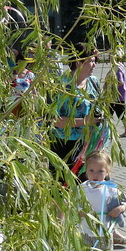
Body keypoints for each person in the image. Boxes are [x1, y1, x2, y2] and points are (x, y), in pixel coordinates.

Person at [51, 43, 106, 181]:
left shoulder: (93, 82)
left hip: (89, 143)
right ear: (78, 62)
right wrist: (85, 121)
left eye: (95, 61)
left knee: (89, 185)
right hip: (65, 145)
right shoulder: (62, 85)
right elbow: (55, 120)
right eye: (91, 61)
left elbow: (98, 106)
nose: (94, 65)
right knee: (65, 185)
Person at [79, 150, 126, 251]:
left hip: (105, 234)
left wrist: (120, 208)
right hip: (86, 234)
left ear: (107, 172)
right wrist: (80, 211)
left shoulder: (112, 189)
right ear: (86, 171)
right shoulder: (82, 188)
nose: (95, 175)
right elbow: (73, 204)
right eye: (91, 170)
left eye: (100, 171)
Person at [109, 58, 126, 138]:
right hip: (120, 94)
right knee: (119, 113)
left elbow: (120, 82)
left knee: (117, 113)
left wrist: (110, 83)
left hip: (116, 95)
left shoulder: (117, 68)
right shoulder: (121, 65)